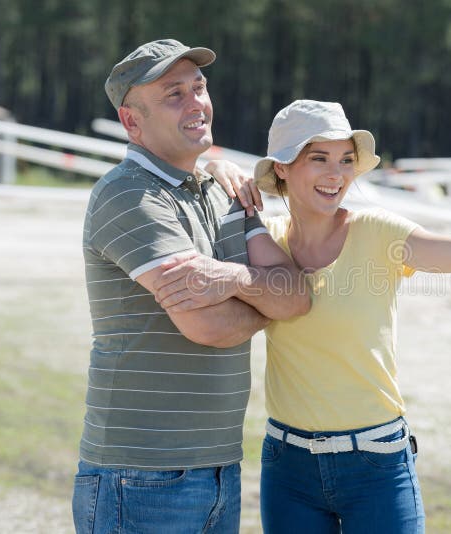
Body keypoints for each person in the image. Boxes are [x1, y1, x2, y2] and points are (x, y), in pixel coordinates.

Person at [155, 100, 451, 533]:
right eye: (318, 158)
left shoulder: (377, 232)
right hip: (288, 468)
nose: (336, 174)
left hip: (377, 464)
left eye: (345, 160)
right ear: (281, 168)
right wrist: (221, 171)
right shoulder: (268, 244)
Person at [71, 40, 310, 534]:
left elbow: (298, 296)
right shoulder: (129, 196)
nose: (196, 102)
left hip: (219, 465)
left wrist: (234, 279)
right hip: (139, 474)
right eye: (173, 94)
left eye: (198, 87)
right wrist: (266, 296)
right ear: (132, 123)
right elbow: (212, 325)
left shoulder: (222, 191)